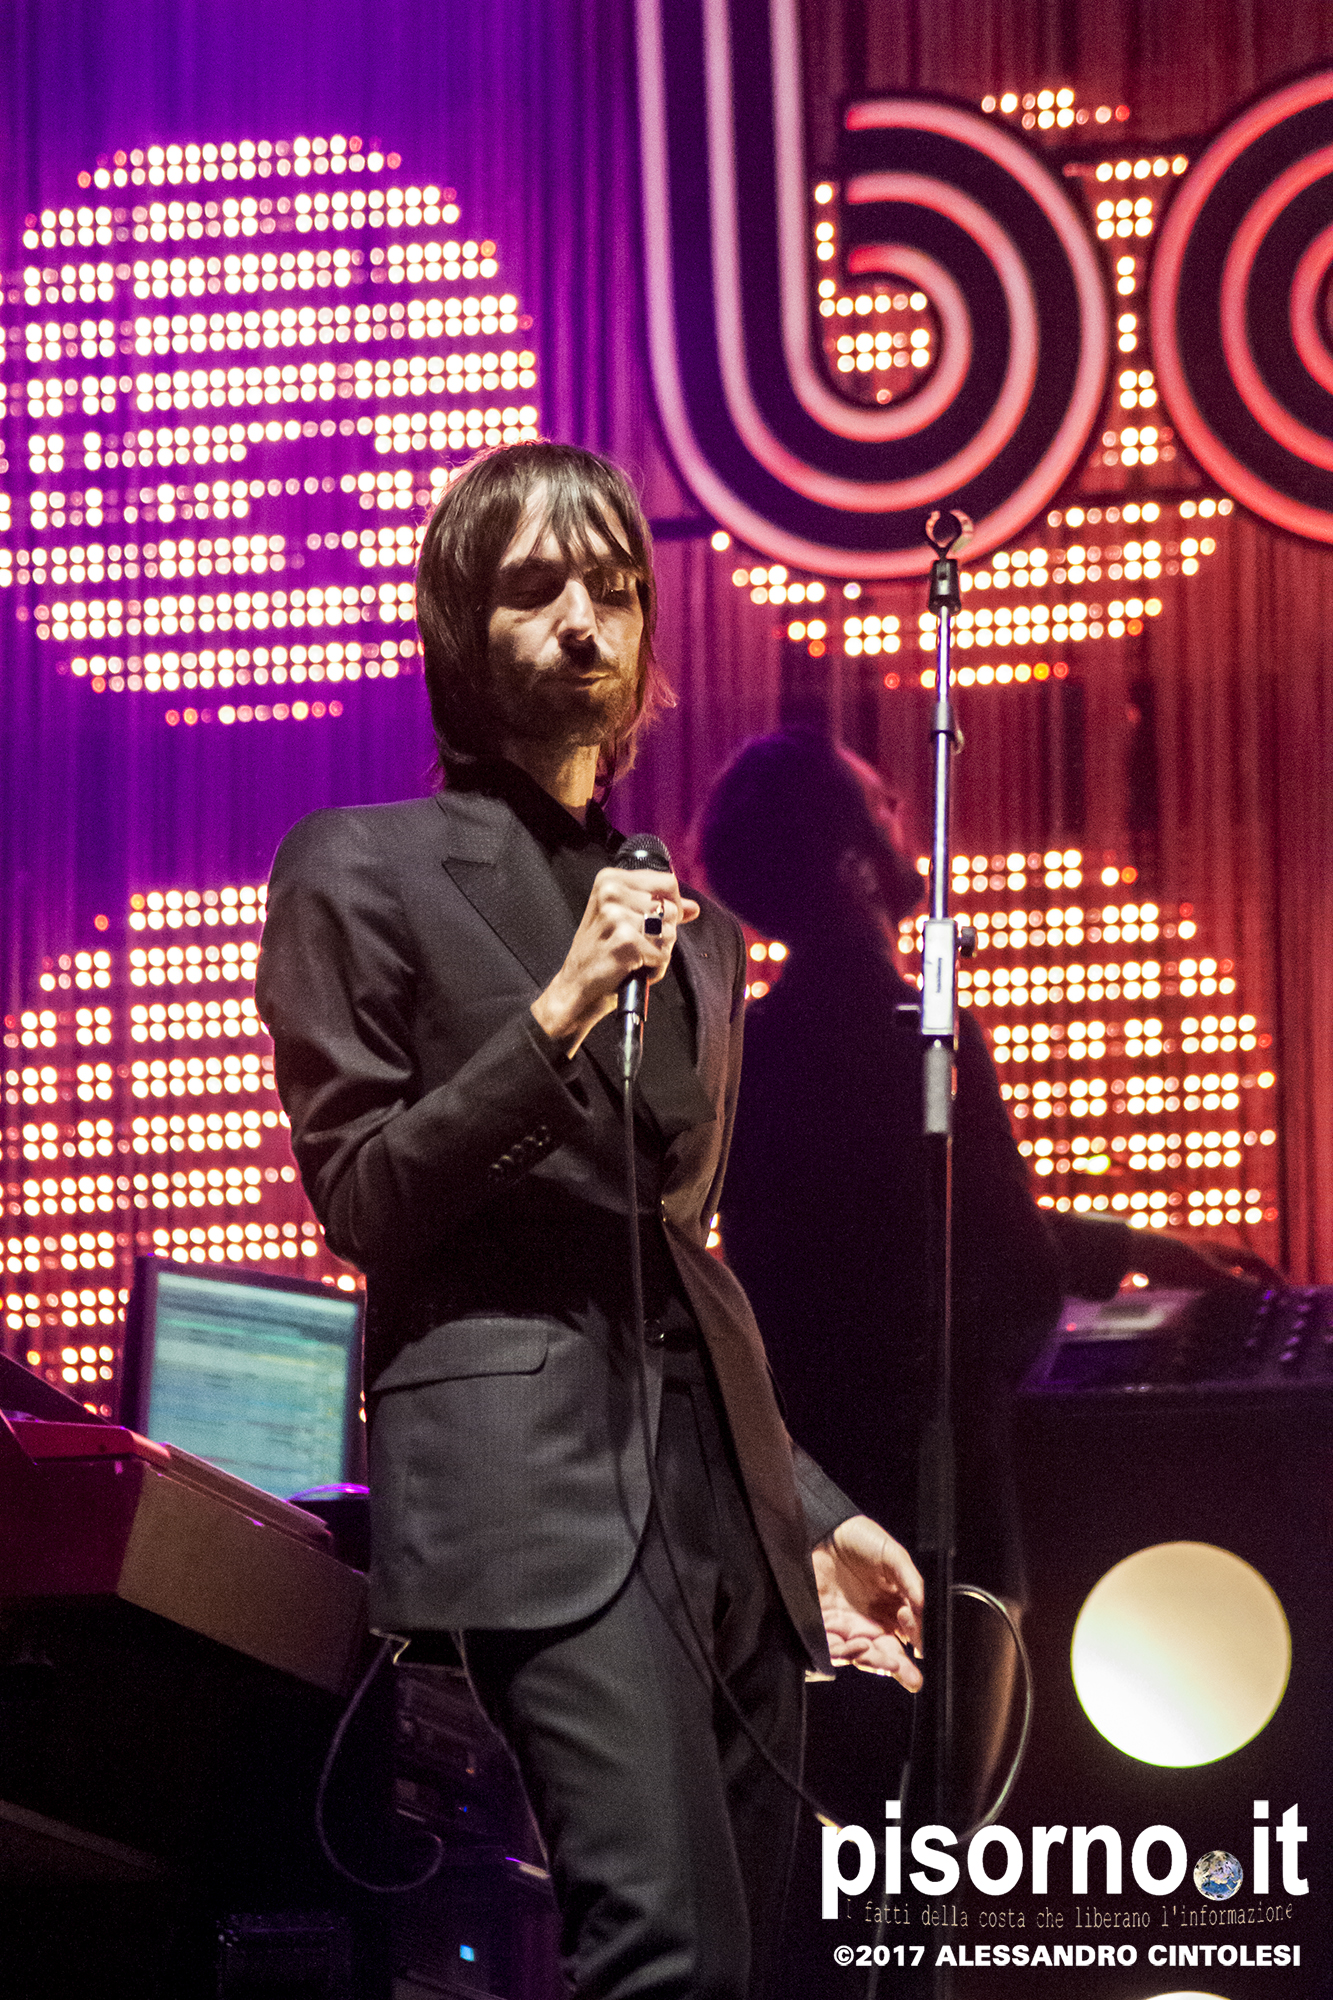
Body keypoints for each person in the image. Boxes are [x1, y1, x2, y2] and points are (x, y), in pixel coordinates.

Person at [256, 445, 923, 2000]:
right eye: (536, 588)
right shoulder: (360, 866)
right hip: (533, 1490)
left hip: (716, 1509)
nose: (583, 622)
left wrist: (807, 1511)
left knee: (749, 1959)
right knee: (663, 1950)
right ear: (458, 625)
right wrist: (555, 1012)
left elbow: (676, 1265)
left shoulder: (698, 939)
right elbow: (363, 1197)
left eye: (614, 591)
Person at [700, 727, 1270, 1844]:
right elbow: (997, 1272)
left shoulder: (749, 1050)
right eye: (880, 804)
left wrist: (1128, 1243)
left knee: (821, 1870)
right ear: (851, 861)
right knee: (930, 1856)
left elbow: (895, 1228)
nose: (902, 817)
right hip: (936, 1513)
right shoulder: (920, 1032)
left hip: (795, 1504)